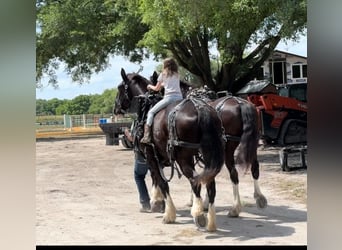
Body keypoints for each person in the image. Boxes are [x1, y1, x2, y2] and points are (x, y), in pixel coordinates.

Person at [140, 57, 183, 144]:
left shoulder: (163, 74)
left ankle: (147, 136)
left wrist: (149, 86)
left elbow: (156, 88)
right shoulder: (177, 74)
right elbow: (170, 83)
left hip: (169, 98)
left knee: (151, 112)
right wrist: (164, 84)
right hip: (180, 98)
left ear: (165, 65)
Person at [124, 126, 151, 213]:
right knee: (157, 176)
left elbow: (133, 138)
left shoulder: (139, 120)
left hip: (142, 157)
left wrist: (127, 133)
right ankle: (161, 202)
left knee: (138, 176)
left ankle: (145, 203)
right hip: (157, 158)